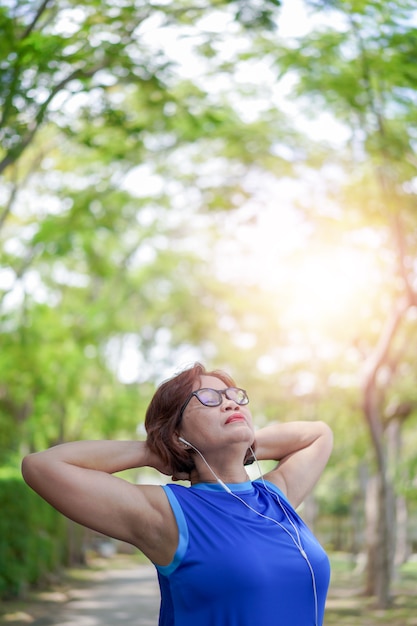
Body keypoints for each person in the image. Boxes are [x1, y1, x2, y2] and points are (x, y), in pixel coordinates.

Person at [22, 362, 333, 626]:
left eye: (234, 397)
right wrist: (156, 450)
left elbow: (319, 434)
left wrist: (245, 443)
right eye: (209, 398)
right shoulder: (169, 514)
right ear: (178, 433)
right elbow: (42, 466)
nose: (230, 403)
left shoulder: (275, 497)